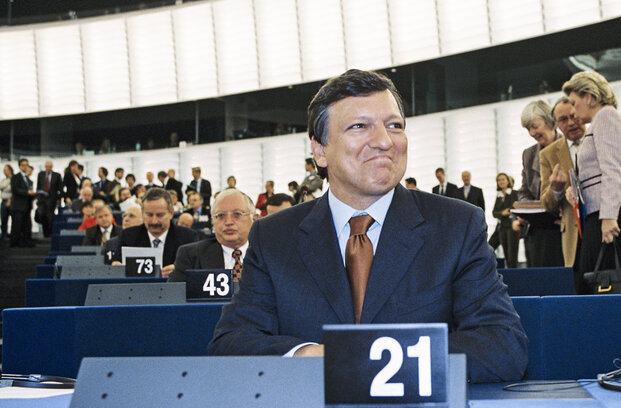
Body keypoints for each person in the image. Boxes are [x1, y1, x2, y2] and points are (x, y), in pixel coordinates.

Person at [209, 69, 528, 383]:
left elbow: (502, 344)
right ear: (320, 150)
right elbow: (231, 342)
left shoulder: (456, 227)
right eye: (360, 126)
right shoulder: (274, 237)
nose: (384, 141)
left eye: (395, 126)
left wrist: (383, 361)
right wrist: (307, 358)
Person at [540, 97, 621, 268]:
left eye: (573, 115)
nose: (571, 122)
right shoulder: (547, 155)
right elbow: (546, 203)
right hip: (575, 238)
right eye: (563, 119)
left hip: (615, 226)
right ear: (556, 124)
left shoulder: (607, 136)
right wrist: (556, 189)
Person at [563, 71, 621, 291]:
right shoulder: (601, 121)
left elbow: (613, 171)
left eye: (574, 102)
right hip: (602, 213)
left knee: (613, 285)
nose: (572, 110)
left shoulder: (606, 117)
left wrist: (609, 217)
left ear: (590, 96)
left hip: (612, 215)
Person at [107, 187, 198, 277]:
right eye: (149, 215)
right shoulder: (128, 236)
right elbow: (116, 264)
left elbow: (197, 269)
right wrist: (116, 268)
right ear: (142, 213)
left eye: (160, 215)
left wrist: (180, 271)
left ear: (171, 213)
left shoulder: (188, 237)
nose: (154, 221)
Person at [169, 189, 256, 282]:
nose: (228, 222)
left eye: (237, 214)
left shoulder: (269, 255)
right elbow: (173, 295)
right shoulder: (191, 256)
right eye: (221, 215)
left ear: (254, 219)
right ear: (212, 221)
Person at [517, 99, 564, 267]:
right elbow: (524, 190)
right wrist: (524, 207)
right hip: (537, 230)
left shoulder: (567, 147)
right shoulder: (528, 154)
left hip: (562, 229)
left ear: (549, 121)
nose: (532, 132)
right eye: (528, 128)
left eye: (535, 126)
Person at [492, 173, 520, 268]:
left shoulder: (514, 193)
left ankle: (515, 277)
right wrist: (502, 213)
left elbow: (513, 208)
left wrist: (502, 213)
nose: (501, 182)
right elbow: (494, 213)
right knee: (507, 255)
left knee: (512, 254)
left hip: (512, 226)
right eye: (499, 180)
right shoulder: (499, 196)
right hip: (502, 227)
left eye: (503, 179)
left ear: (508, 181)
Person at [10, 158, 36, 248]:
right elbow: (15, 189)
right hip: (18, 206)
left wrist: (33, 194)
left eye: (26, 165)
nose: (25, 167)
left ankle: (26, 241)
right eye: (23, 165)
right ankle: (15, 242)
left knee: (26, 225)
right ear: (19, 166)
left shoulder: (28, 179)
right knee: (17, 225)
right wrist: (27, 192)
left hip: (26, 206)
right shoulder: (15, 177)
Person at [35, 161, 62, 237]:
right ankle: (45, 232)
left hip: (52, 199)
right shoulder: (41, 174)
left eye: (49, 166)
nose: (48, 168)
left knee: (50, 216)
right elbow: (38, 186)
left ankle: (50, 233)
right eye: (46, 166)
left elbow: (60, 188)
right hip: (42, 199)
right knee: (42, 215)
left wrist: (58, 199)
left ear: (52, 167)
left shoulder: (57, 175)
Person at [0, 164, 13, 239]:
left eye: (5, 170)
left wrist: (5, 187)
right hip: (3, 201)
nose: (4, 172)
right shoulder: (3, 180)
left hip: (10, 200)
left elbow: (10, 189)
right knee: (4, 218)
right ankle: (4, 234)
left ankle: (13, 234)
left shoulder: (13, 179)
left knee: (13, 218)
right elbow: (1, 186)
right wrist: (6, 186)